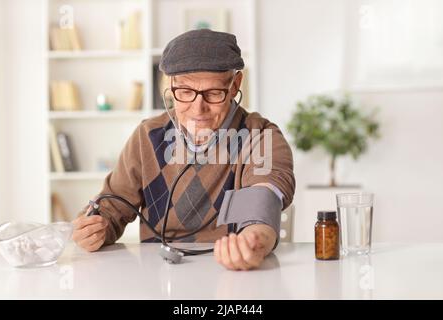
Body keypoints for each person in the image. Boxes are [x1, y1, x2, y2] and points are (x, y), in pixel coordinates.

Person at [72, 29, 295, 271]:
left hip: (233, 274)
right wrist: (94, 229)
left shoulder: (260, 136)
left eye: (213, 93)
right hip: (160, 277)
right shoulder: (147, 136)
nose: (198, 109)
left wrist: (254, 241)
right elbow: (111, 210)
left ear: (235, 85)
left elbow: (260, 205)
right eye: (185, 92)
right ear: (171, 86)